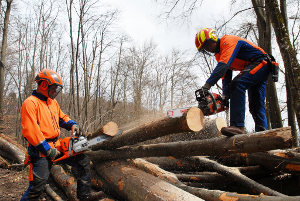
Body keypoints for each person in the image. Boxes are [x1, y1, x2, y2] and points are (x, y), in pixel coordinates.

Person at [20, 69, 103, 201]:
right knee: (37, 188)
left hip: (56, 145)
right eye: (53, 89)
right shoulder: (30, 103)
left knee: (82, 161)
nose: (55, 92)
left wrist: (72, 125)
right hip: (40, 150)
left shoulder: (52, 102)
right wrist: (47, 150)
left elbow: (61, 117)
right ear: (43, 85)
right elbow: (31, 131)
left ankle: (84, 196)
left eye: (57, 89)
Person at [195, 28, 277, 136]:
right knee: (255, 105)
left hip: (262, 63)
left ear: (213, 38)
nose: (208, 49)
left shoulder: (227, 41)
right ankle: (263, 135)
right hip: (255, 69)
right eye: (205, 48)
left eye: (208, 44)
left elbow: (223, 66)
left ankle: (237, 126)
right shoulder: (219, 55)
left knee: (238, 84)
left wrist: (207, 86)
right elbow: (226, 77)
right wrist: (225, 96)